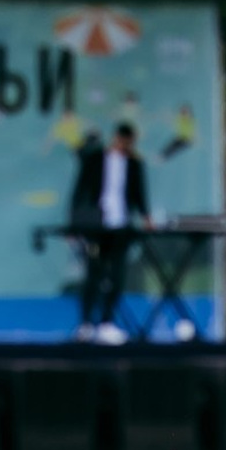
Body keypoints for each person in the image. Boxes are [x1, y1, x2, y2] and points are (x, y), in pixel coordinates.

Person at [70, 123, 148, 344]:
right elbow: (80, 190)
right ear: (116, 138)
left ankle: (107, 323)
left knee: (117, 275)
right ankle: (85, 324)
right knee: (93, 274)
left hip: (121, 225)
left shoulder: (134, 163)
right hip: (97, 225)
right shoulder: (95, 159)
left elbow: (140, 193)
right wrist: (75, 222)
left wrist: (146, 216)